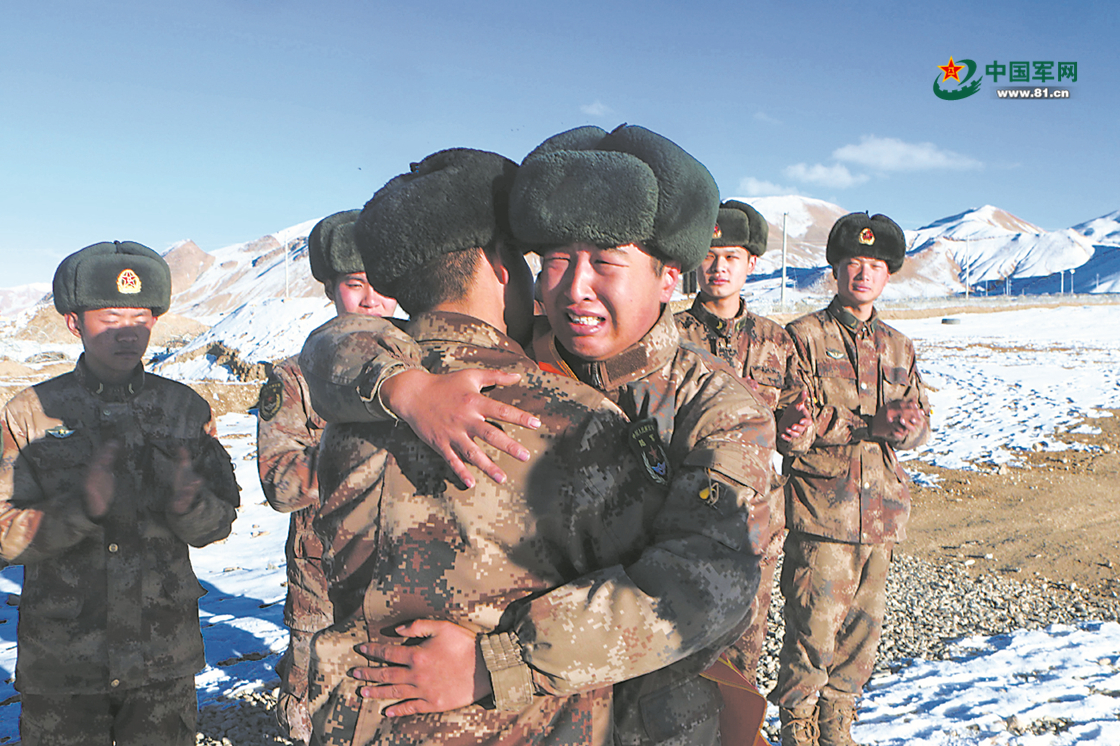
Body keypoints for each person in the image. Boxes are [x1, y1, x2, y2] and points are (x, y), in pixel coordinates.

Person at [311, 125, 777, 745]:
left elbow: (704, 580)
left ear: (668, 278)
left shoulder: (715, 408)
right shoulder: (506, 356)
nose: (574, 287)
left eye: (606, 263)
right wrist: (404, 389)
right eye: (556, 260)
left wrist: (495, 662)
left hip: (656, 714)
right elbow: (337, 343)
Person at [0, 241, 240, 745]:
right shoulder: (28, 413)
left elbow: (218, 524)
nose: (129, 331)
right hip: (63, 667)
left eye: (142, 316)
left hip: (162, 665)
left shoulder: (184, 410)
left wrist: (188, 504)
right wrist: (80, 508)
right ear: (74, 323)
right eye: (111, 317)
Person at [769, 213, 930, 746]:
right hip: (823, 509)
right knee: (812, 630)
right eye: (854, 263)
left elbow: (918, 421)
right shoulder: (803, 337)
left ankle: (838, 727)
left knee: (863, 635)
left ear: (889, 276)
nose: (864, 273)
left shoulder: (900, 345)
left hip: (881, 513)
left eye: (877, 266)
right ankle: (798, 729)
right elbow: (792, 426)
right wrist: (867, 425)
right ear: (836, 269)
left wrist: (907, 428)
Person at [255, 210, 398, 744]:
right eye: (356, 286)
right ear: (332, 289)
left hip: (408, 579)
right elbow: (281, 485)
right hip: (324, 584)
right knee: (314, 717)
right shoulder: (297, 376)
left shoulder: (426, 366)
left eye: (384, 286)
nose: (371, 301)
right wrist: (363, 449)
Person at [675, 200, 803, 730]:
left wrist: (801, 428)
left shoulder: (778, 341)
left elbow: (800, 416)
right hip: (679, 514)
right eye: (708, 255)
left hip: (754, 520)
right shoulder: (668, 334)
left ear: (752, 263)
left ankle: (735, 734)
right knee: (677, 644)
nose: (719, 267)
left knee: (744, 646)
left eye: (731, 256)